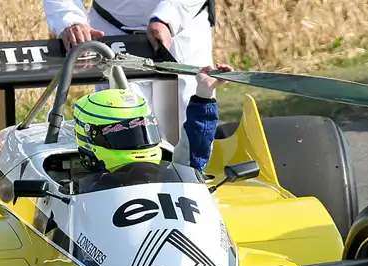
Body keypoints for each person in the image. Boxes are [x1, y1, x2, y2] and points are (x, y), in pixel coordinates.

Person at [43, 0, 215, 153]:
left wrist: (167, 17)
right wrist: (69, 19)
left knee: (188, 126)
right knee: (123, 130)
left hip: (182, 30)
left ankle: (193, 180)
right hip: (111, 28)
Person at [74, 64, 233, 193]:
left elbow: (196, 144)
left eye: (143, 131)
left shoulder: (177, 174)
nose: (139, 143)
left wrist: (205, 93)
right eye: (122, 134)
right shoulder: (72, 191)